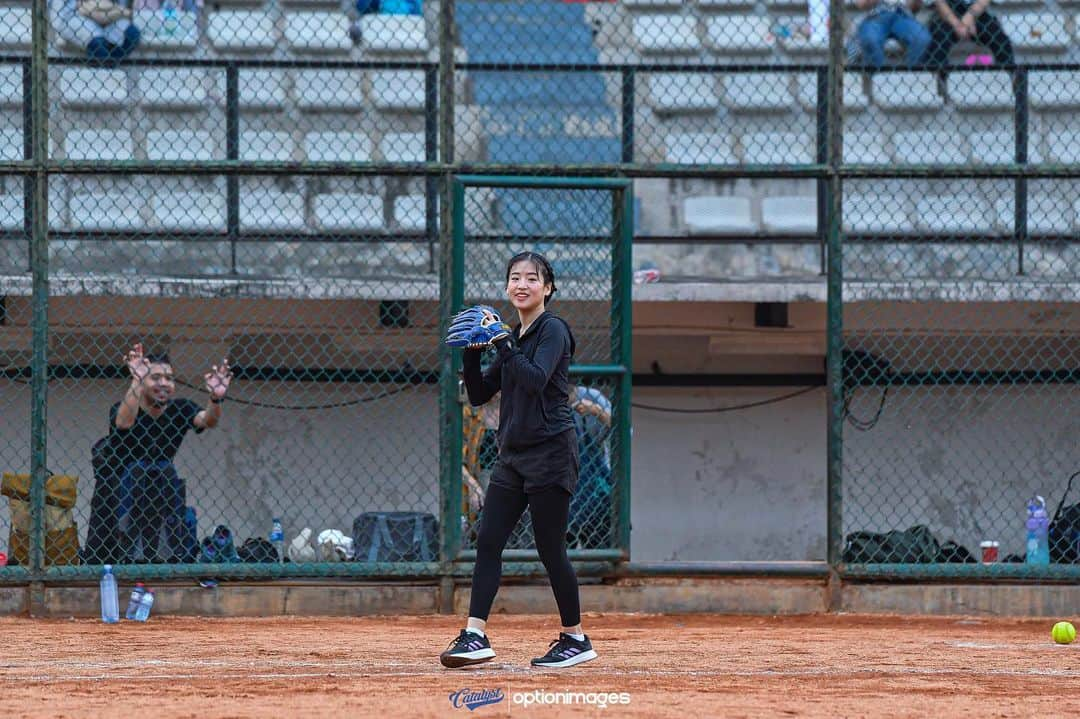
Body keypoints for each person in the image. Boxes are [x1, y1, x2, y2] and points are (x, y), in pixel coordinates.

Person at [439, 251, 598, 670]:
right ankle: (475, 634)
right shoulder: (514, 334)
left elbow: (533, 379)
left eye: (532, 278)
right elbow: (478, 394)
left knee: (550, 549)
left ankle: (575, 638)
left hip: (550, 452)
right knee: (489, 541)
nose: (522, 284)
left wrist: (502, 343)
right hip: (513, 456)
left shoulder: (552, 330)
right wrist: (472, 353)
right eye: (514, 277)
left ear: (548, 288)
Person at [85, 343, 231, 564]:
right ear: (143, 382)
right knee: (110, 561)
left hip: (157, 495)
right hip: (119, 495)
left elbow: (208, 420)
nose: (164, 383)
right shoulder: (125, 407)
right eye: (155, 378)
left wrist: (216, 398)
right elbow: (123, 423)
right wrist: (136, 379)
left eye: (169, 378)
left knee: (159, 558)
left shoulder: (180, 409)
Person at [567, 384, 613, 549]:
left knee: (601, 546)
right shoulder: (544, 397)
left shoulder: (590, 396)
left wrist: (595, 410)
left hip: (593, 478)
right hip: (561, 479)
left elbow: (624, 429)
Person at [923, 0, 1014, 71]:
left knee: (1001, 41)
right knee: (939, 38)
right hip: (947, 13)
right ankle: (938, 79)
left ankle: (1010, 76)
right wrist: (957, 24)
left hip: (978, 12)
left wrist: (970, 17)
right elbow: (939, 2)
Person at [53, 0, 141, 65]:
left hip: (112, 12)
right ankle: (106, 74)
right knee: (98, 43)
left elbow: (120, 7)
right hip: (75, 14)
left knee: (132, 34)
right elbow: (81, 7)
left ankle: (110, 68)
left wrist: (115, 11)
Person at [854, 0, 931, 69]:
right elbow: (860, 4)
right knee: (869, 39)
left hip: (902, 15)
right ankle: (877, 78)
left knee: (921, 38)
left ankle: (912, 76)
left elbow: (916, 8)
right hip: (876, 15)